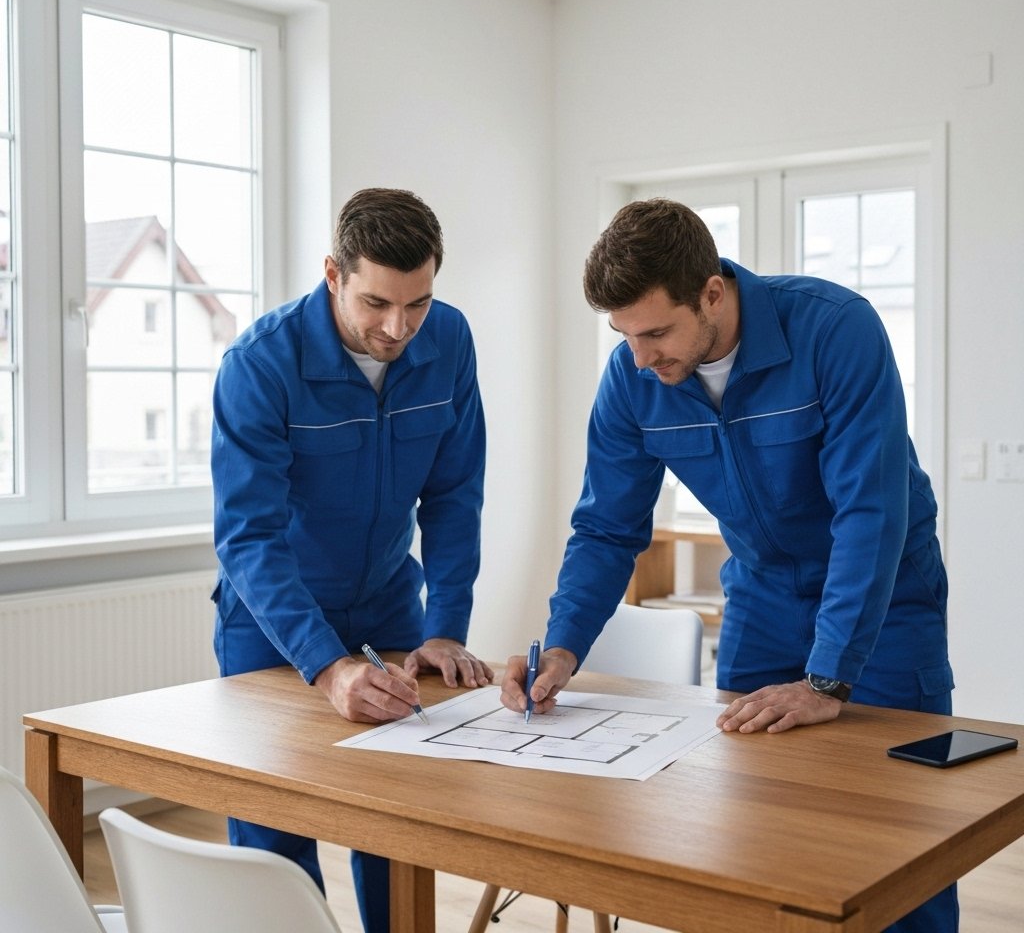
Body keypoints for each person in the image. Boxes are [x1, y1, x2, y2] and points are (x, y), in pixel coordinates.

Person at [501, 198, 956, 933]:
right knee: (751, 833)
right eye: (624, 337)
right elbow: (606, 529)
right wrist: (562, 645)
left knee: (905, 836)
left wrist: (829, 676)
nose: (641, 358)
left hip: (888, 599)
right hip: (762, 598)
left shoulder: (836, 331)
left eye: (655, 332)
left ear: (712, 292)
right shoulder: (632, 378)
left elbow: (870, 514)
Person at [211, 187, 492, 933]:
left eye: (418, 304)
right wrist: (327, 665)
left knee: (396, 820)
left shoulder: (451, 340)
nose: (397, 328)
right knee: (275, 836)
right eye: (376, 304)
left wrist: (445, 625)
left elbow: (456, 496)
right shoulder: (259, 364)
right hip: (271, 625)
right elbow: (248, 535)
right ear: (333, 273)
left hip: (389, 608)